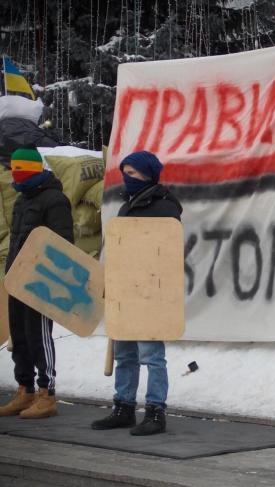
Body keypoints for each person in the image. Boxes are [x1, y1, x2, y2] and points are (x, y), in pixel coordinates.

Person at [91, 150, 182, 436]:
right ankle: (123, 407)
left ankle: (156, 411)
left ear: (147, 174)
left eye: (131, 174)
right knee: (125, 354)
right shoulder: (126, 207)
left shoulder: (165, 207)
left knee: (152, 355)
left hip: (151, 293)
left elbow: (166, 251)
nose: (126, 179)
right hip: (126, 291)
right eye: (124, 173)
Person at [0, 148, 73, 419]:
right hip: (17, 279)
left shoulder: (55, 200)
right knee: (18, 337)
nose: (13, 174)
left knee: (38, 337)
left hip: (41, 283)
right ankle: (25, 389)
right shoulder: (21, 201)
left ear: (31, 169)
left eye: (18, 169)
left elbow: (63, 245)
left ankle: (47, 393)